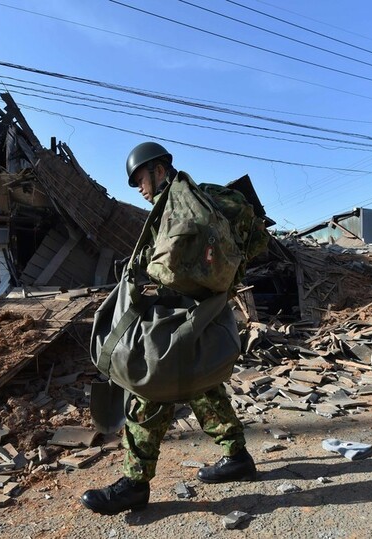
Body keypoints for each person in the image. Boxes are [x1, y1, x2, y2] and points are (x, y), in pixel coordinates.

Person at [80, 142, 257, 516]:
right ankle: (238, 456)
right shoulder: (200, 198)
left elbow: (170, 269)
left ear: (158, 170)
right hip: (206, 311)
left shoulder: (182, 204)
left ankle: (134, 484)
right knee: (203, 384)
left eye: (140, 179)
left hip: (186, 315)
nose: (139, 189)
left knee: (151, 384)